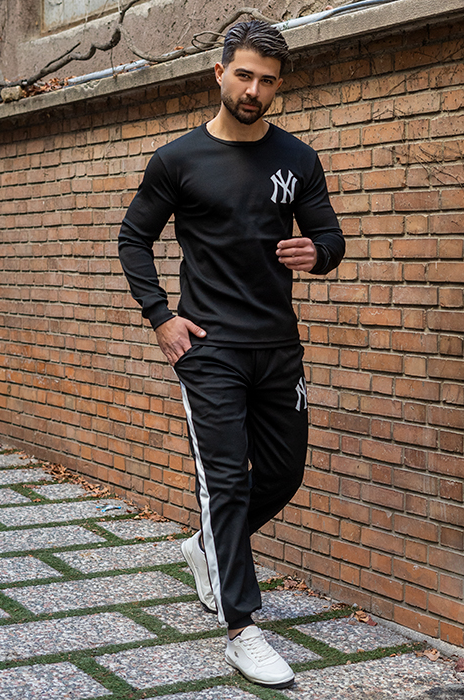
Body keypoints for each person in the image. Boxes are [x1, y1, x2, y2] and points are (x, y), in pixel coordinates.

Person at [118, 19, 344, 689]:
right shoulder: (178, 160)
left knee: (283, 472)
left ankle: (208, 546)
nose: (254, 90)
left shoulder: (298, 158)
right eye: (243, 75)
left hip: (278, 346)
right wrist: (161, 317)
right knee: (225, 480)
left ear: (279, 86)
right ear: (219, 73)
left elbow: (330, 237)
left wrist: (318, 253)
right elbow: (133, 239)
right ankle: (242, 629)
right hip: (209, 348)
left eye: (267, 81)